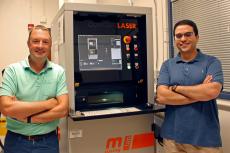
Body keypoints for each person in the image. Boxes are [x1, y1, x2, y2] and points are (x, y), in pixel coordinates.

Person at [156, 19, 223, 153]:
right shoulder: (167, 65)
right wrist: (200, 93)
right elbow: (162, 96)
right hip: (172, 138)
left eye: (188, 34)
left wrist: (176, 88)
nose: (183, 39)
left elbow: (212, 91)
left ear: (197, 37)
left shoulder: (212, 62)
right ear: (174, 39)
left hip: (205, 140)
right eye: (179, 36)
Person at [0, 25, 69, 153]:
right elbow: (6, 108)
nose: (40, 46)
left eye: (45, 42)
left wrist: (27, 117)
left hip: (48, 142)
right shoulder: (12, 71)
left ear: (50, 45)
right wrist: (49, 104)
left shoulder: (59, 72)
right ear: (28, 44)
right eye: (35, 41)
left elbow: (63, 110)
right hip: (16, 142)